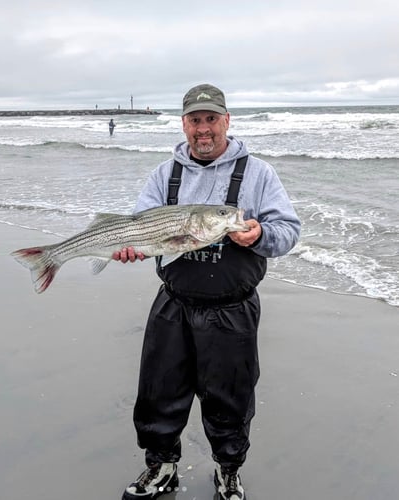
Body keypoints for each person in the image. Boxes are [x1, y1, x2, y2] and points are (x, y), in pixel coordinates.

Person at [113, 84, 301, 500]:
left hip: (232, 308)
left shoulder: (258, 173)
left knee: (230, 396)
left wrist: (261, 235)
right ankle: (161, 466)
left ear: (226, 121)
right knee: (159, 391)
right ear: (183, 124)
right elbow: (141, 229)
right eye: (195, 120)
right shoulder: (166, 174)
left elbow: (289, 231)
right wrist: (132, 250)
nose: (203, 129)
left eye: (211, 119)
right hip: (174, 303)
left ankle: (227, 470)